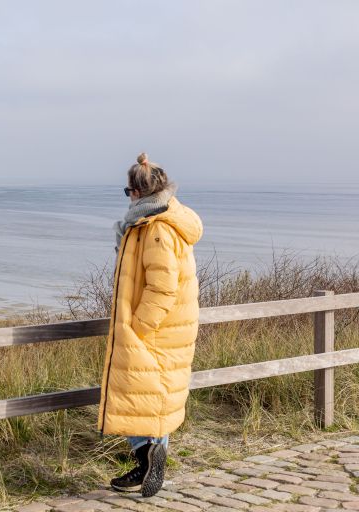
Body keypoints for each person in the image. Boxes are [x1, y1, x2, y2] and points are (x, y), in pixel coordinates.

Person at [96, 152, 203, 497]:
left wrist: (138, 326)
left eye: (128, 191)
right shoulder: (162, 221)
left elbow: (162, 286)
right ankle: (149, 464)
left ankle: (146, 458)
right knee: (153, 397)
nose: (128, 198)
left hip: (154, 331)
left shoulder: (155, 229)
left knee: (133, 393)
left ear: (137, 192)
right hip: (169, 331)